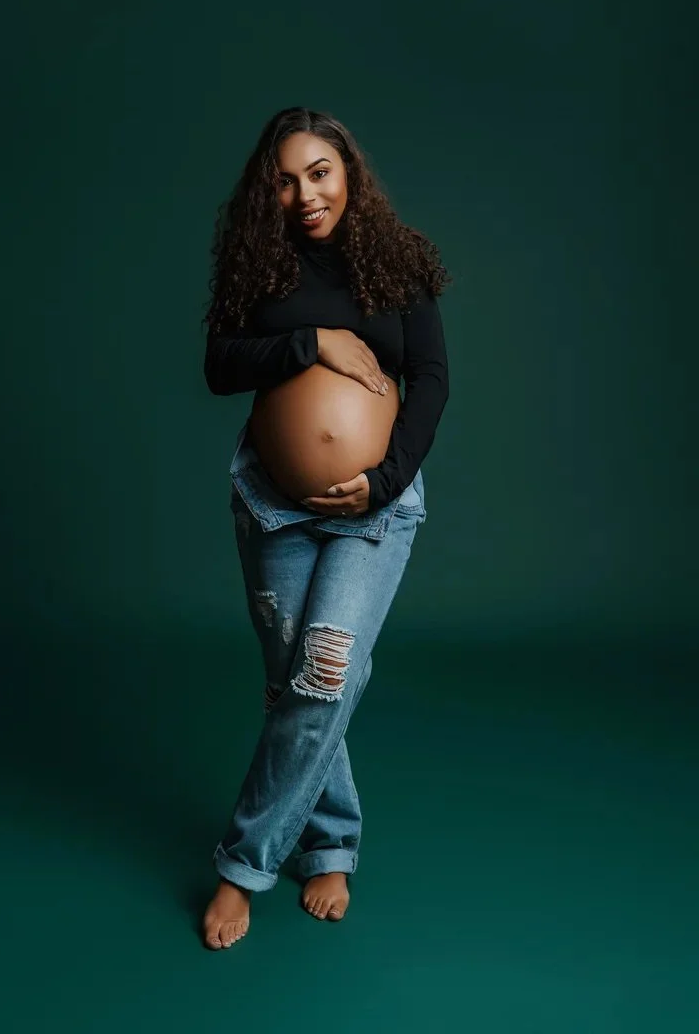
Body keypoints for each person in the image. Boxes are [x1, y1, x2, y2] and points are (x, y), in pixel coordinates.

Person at [200, 107, 450, 950]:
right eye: (284, 178)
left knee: (326, 668)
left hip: (373, 510)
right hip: (272, 504)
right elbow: (220, 366)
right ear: (265, 191)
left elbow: (433, 382)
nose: (304, 193)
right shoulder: (259, 267)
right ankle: (332, 839)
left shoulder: (397, 260)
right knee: (298, 680)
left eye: (319, 171)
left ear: (349, 171)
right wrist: (311, 340)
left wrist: (383, 479)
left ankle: (243, 864)